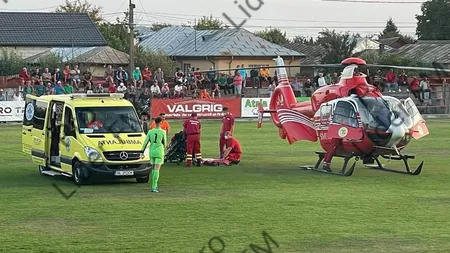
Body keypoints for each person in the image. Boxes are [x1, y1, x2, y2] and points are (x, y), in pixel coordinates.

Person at [141, 117, 167, 193]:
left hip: (152, 152)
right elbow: (164, 143)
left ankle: (153, 185)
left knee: (153, 169)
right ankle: (154, 186)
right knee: (156, 169)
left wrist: (142, 151)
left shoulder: (150, 132)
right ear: (161, 123)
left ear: (154, 123)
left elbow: (145, 142)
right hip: (159, 151)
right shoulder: (163, 132)